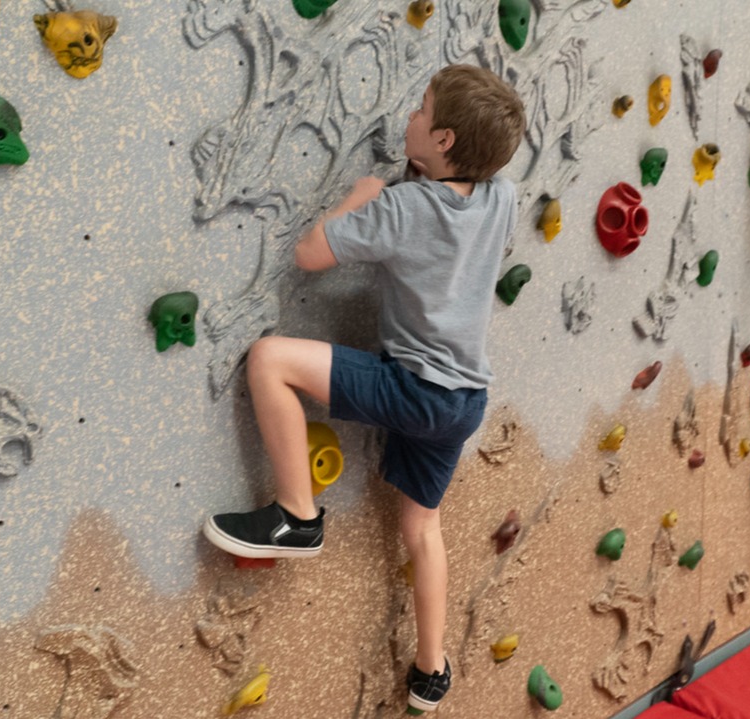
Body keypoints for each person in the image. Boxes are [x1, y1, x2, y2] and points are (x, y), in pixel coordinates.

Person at [201, 64, 525, 714]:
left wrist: (359, 197)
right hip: (463, 401)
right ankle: (430, 670)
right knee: (421, 526)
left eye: (421, 111)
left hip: (414, 387)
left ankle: (296, 514)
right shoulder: (502, 198)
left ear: (445, 142)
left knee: (269, 360)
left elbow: (310, 254)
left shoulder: (400, 209)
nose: (409, 116)